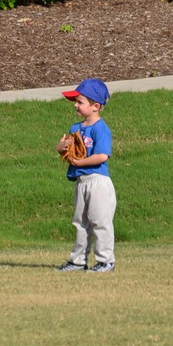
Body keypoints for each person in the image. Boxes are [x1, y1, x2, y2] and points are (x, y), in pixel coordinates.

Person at [55, 78, 116, 273]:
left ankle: (106, 261)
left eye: (80, 102)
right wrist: (60, 148)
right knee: (80, 223)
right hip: (81, 182)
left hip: (98, 181)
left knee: (100, 221)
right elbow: (69, 153)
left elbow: (102, 155)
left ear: (95, 106)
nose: (75, 105)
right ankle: (78, 261)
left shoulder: (101, 128)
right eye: (76, 101)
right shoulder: (75, 128)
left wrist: (79, 162)